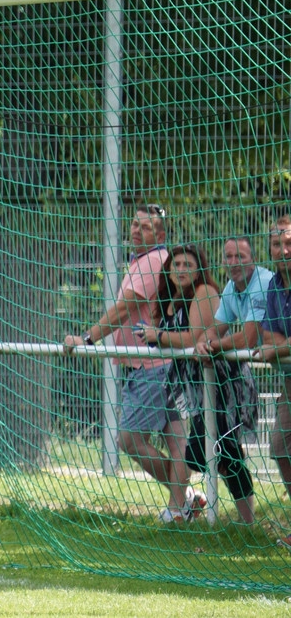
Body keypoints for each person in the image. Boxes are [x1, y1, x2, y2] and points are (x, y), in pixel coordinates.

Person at [63, 204, 200, 522]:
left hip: (152, 367)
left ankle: (181, 502)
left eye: (146, 227)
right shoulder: (145, 260)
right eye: (135, 224)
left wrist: (87, 339)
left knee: (129, 440)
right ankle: (183, 505)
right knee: (177, 442)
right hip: (160, 366)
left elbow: (124, 309)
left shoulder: (154, 260)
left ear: (161, 236)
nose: (137, 230)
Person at [134, 244, 223, 522]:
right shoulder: (169, 298)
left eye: (188, 265)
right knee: (190, 449)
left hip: (213, 380)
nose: (181, 269)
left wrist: (158, 336)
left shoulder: (203, 292)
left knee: (223, 452)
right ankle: (182, 507)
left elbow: (194, 338)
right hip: (184, 382)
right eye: (177, 264)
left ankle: (241, 523)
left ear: (199, 270)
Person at [191, 237, 272, 524]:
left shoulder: (263, 283)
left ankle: (187, 505)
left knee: (226, 450)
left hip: (235, 381)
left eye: (240, 256)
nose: (234, 262)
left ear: (253, 258)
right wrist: (204, 343)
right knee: (208, 449)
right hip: (210, 382)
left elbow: (249, 337)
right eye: (229, 257)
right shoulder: (229, 288)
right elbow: (215, 329)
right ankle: (242, 521)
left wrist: (210, 345)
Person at [257, 215, 291, 547]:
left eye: (289, 243)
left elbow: (274, 344)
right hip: (289, 382)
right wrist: (279, 345)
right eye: (277, 244)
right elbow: (267, 335)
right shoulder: (274, 285)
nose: (283, 250)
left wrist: (279, 347)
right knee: (280, 447)